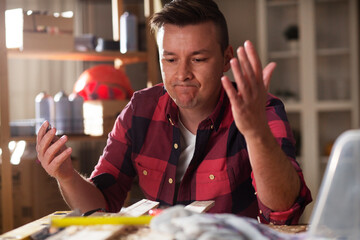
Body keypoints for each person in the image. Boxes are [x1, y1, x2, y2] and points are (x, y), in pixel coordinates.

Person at [36, 0, 312, 225]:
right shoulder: (140, 110)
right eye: (170, 59)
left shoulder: (260, 108)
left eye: (198, 59)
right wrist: (67, 177)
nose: (182, 74)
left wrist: (256, 134)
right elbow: (102, 205)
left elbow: (284, 211)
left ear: (226, 58)